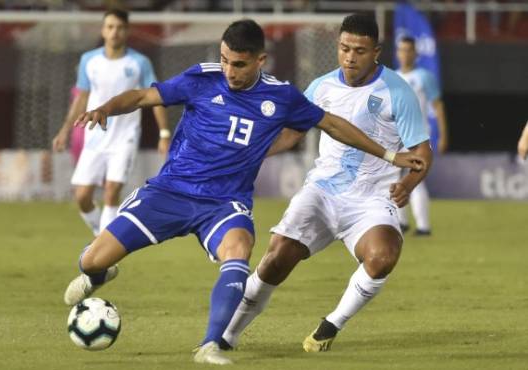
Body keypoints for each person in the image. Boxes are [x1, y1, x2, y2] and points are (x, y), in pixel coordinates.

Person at [62, 19, 424, 365]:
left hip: (225, 203)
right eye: (224, 60)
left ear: (259, 61)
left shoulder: (281, 97)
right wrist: (105, 108)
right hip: (170, 191)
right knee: (92, 259)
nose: (229, 71)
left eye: (238, 64)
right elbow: (144, 96)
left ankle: (211, 344)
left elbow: (332, 124)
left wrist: (391, 154)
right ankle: (98, 274)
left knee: (240, 250)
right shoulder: (202, 79)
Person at [221, 14, 432, 353]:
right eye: (344, 48)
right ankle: (226, 336)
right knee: (276, 259)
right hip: (322, 192)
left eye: (359, 51)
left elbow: (423, 152)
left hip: (371, 199)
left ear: (376, 51)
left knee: (383, 255)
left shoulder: (397, 91)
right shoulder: (320, 87)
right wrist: (251, 154)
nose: (350, 57)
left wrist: (408, 184)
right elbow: (291, 133)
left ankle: (331, 324)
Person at [52, 9, 170, 236]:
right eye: (110, 27)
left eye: (120, 27)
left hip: (125, 136)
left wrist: (164, 133)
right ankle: (102, 236)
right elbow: (82, 97)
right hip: (95, 137)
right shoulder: (89, 60)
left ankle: (104, 250)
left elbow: (155, 97)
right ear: (103, 30)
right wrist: (65, 130)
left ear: (127, 31)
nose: (115, 32)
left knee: (112, 190)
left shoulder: (139, 62)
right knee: (83, 197)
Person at [395, 36, 448, 236]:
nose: (405, 53)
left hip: (417, 137)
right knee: (394, 177)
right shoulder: (393, 77)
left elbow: (438, 106)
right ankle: (401, 221)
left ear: (416, 53)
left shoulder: (424, 76)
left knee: (416, 178)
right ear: (397, 53)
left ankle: (423, 226)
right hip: (395, 136)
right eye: (402, 49)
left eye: (409, 50)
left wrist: (443, 135)